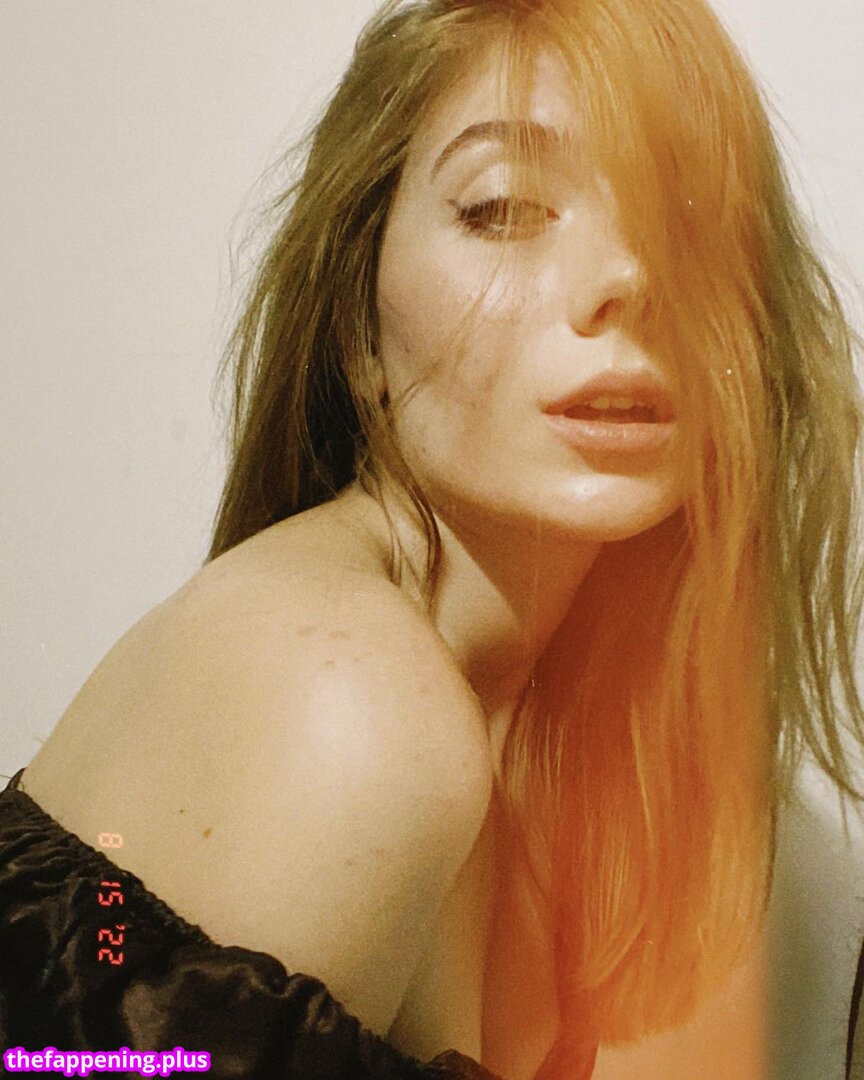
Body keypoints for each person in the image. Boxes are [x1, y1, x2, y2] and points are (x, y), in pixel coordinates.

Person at [2, 0, 863, 1077]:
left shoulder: (561, 750)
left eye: (687, 216)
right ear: (357, 323)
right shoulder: (347, 698)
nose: (631, 277)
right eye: (503, 209)